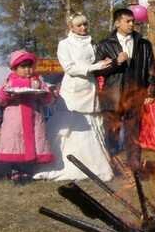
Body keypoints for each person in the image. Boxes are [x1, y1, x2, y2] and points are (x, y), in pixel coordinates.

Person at [34, 13, 114, 182]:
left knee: (91, 127)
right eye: (79, 25)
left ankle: (94, 165)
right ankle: (62, 164)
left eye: (85, 24)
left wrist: (107, 63)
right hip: (73, 91)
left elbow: (99, 63)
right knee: (68, 126)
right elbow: (69, 68)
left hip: (90, 89)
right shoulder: (64, 44)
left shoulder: (93, 44)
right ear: (71, 27)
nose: (83, 28)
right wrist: (95, 66)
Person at [94, 8, 155, 171]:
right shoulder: (104, 45)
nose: (131, 24)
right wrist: (116, 62)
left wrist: (151, 91)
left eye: (133, 21)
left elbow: (151, 69)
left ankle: (134, 166)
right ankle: (113, 166)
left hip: (135, 94)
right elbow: (97, 70)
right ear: (117, 23)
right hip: (113, 96)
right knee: (112, 133)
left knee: (133, 132)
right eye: (127, 21)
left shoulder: (144, 44)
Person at [0, 50, 55, 182]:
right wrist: (7, 94)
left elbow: (48, 99)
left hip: (34, 117)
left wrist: (44, 94)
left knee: (34, 141)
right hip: (15, 119)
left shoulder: (38, 81)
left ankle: (28, 169)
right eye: (23, 67)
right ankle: (15, 169)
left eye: (30, 66)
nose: (27, 70)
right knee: (16, 142)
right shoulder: (9, 82)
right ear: (15, 68)